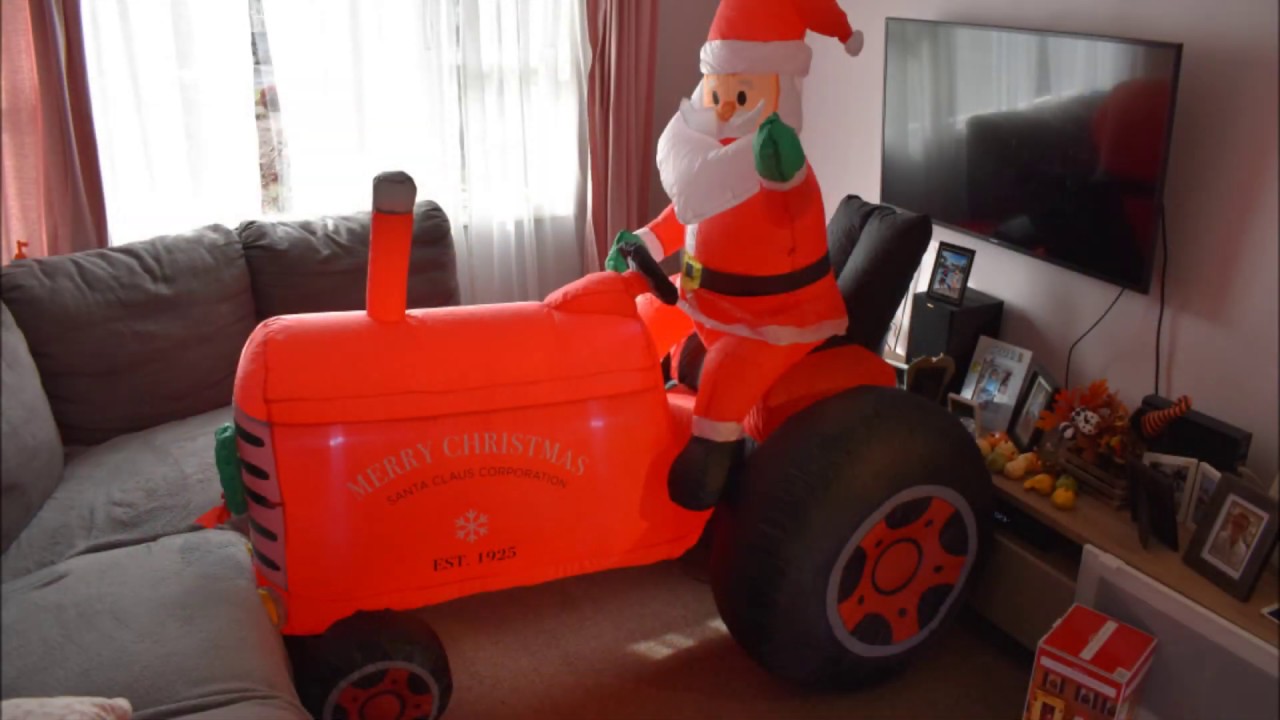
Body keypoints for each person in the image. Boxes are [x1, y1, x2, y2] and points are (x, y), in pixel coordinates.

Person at [604, 0, 864, 511]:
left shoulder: (783, 171)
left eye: (740, 94)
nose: (723, 108)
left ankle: (709, 458)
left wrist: (780, 171)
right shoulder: (714, 164)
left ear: (777, 95)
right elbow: (685, 212)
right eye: (716, 92)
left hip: (772, 320)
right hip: (708, 299)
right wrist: (647, 243)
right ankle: (615, 399)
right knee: (645, 314)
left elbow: (790, 209)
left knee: (728, 369)